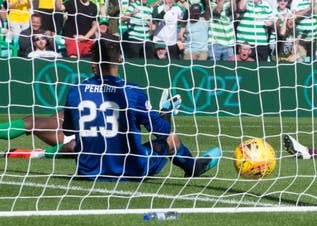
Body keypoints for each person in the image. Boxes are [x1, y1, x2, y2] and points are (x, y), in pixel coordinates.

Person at [61, 33, 220, 180]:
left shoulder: (76, 90)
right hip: (129, 169)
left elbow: (68, 130)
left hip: (88, 170)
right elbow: (162, 132)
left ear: (94, 61)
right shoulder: (132, 91)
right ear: (120, 59)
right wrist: (165, 112)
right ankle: (194, 168)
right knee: (172, 139)